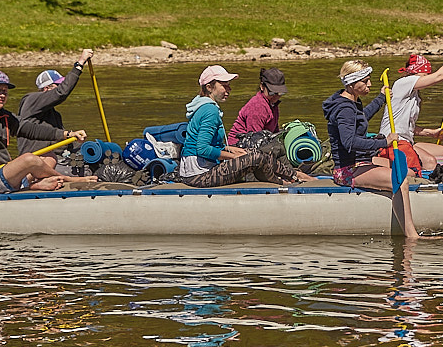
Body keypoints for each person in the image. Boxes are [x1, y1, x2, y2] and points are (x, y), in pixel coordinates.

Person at [0, 48, 95, 195]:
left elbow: (31, 129)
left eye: (5, 91)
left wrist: (67, 134)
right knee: (29, 159)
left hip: (1, 174)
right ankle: (66, 179)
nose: (2, 94)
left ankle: (32, 185)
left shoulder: (4, 117)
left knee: (50, 157)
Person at [322, 60, 421, 238]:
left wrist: (381, 99)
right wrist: (384, 143)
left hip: (360, 162)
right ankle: (412, 236)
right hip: (347, 170)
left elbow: (361, 119)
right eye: (365, 81)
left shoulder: (350, 102)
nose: (370, 84)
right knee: (400, 180)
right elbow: (349, 142)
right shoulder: (344, 108)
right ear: (352, 83)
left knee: (407, 171)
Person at [179, 65, 314, 188]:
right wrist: (234, 157)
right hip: (198, 176)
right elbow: (202, 149)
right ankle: (290, 179)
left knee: (254, 154)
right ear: (209, 87)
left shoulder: (204, 107)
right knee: (257, 157)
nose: (229, 89)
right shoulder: (210, 111)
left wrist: (232, 150)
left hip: (198, 171)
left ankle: (290, 177)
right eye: (224, 85)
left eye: (229, 85)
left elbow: (210, 145)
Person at [379, 43, 443, 173]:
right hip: (393, 142)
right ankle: (428, 183)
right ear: (415, 72)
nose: (425, 79)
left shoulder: (414, 94)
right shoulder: (403, 83)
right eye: (424, 75)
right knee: (430, 162)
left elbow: (405, 125)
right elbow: (439, 76)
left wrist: (430, 133)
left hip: (408, 141)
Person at [17, 49, 95, 171]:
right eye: (57, 85)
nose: (61, 87)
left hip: (58, 158)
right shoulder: (31, 100)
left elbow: (63, 140)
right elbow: (62, 92)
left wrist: (85, 146)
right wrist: (80, 63)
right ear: (47, 88)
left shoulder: (55, 115)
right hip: (37, 161)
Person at [226, 67, 287, 146]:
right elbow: (255, 138)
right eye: (272, 92)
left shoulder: (273, 104)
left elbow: (275, 132)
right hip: (239, 145)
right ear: (262, 87)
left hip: (260, 139)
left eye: (280, 93)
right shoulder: (258, 106)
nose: (276, 96)